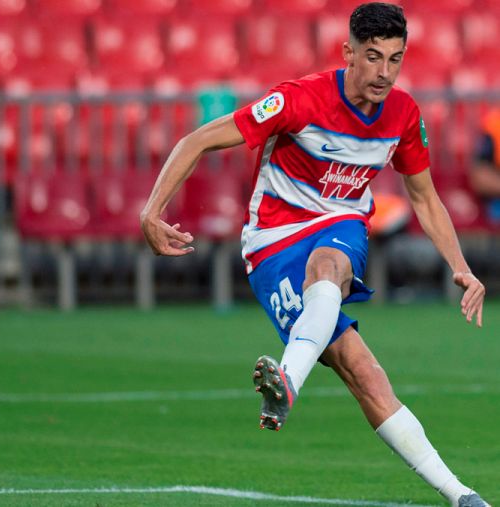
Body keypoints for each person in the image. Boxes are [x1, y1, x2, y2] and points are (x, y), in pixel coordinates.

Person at [140, 3, 489, 506]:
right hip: (272, 242)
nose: (384, 73)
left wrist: (460, 267)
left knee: (329, 263)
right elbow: (198, 140)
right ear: (348, 52)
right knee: (361, 371)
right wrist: (151, 212)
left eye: (395, 59)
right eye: (373, 57)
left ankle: (461, 496)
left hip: (341, 226)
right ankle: (293, 380)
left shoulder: (403, 115)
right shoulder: (298, 101)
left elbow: (423, 196)